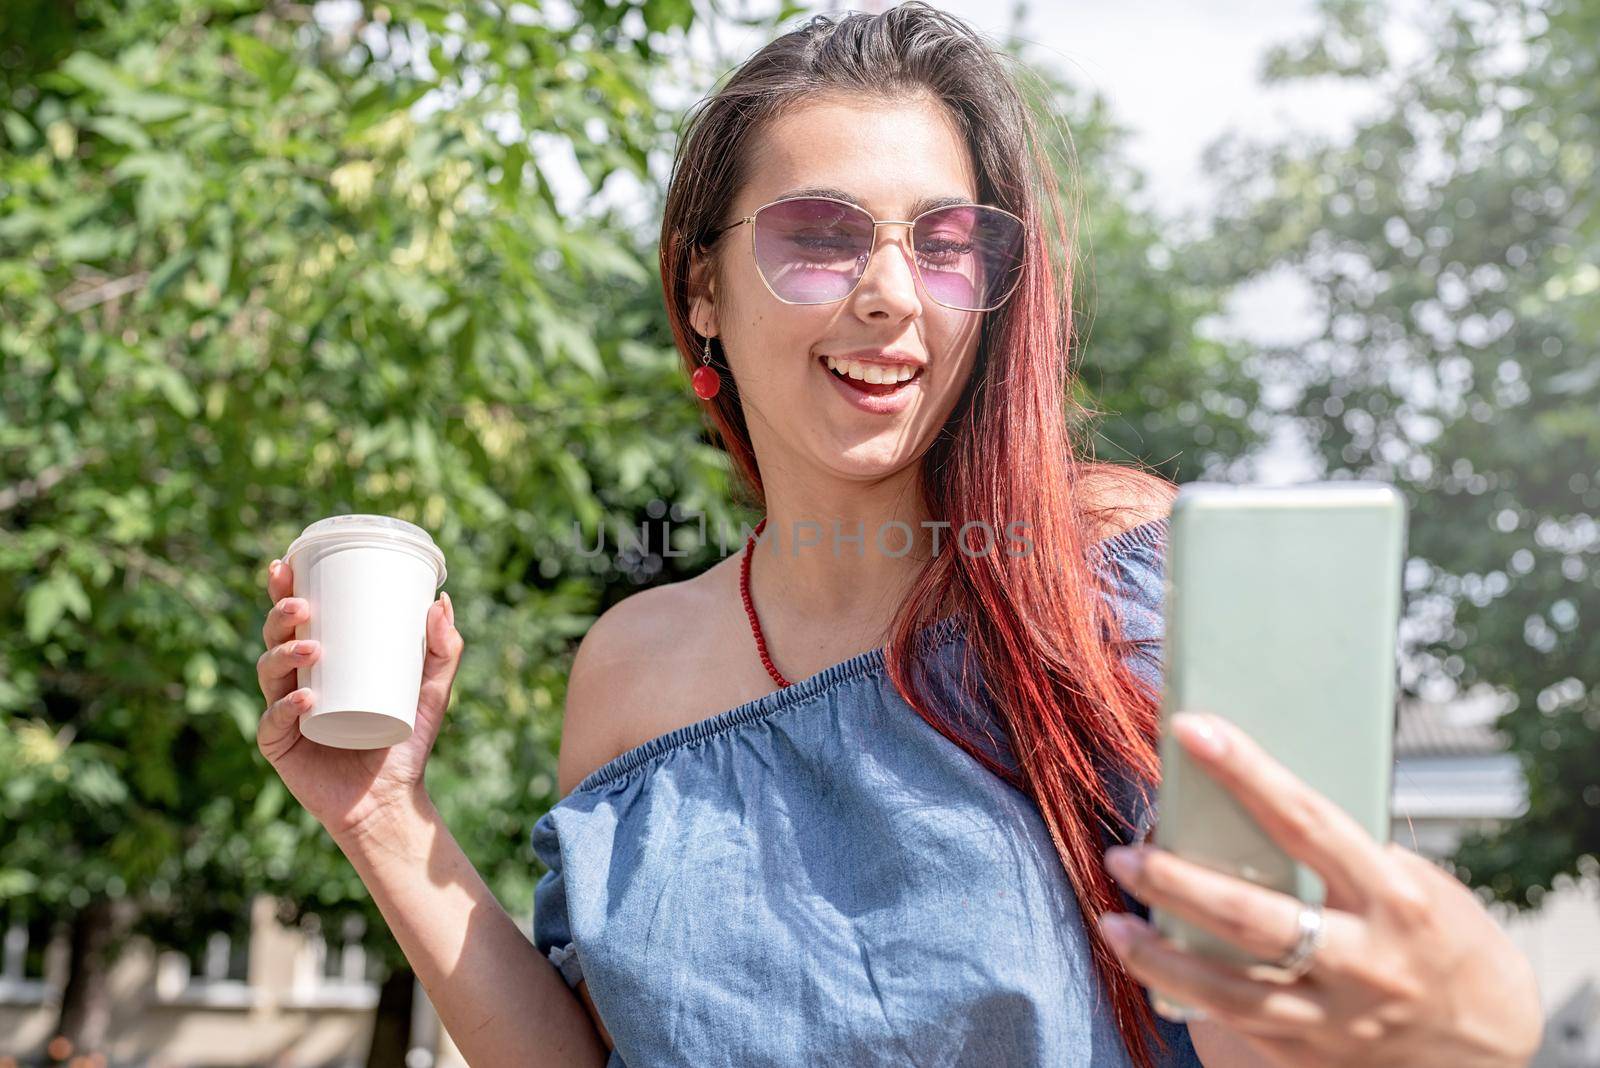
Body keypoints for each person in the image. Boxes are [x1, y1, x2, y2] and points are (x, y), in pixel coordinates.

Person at [255, 4, 1543, 1065]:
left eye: (945, 243)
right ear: (703, 287)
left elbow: (1319, 985)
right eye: (818, 239)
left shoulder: (1123, 581)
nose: (888, 295)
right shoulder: (632, 666)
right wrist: (383, 818)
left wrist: (1473, 1022)